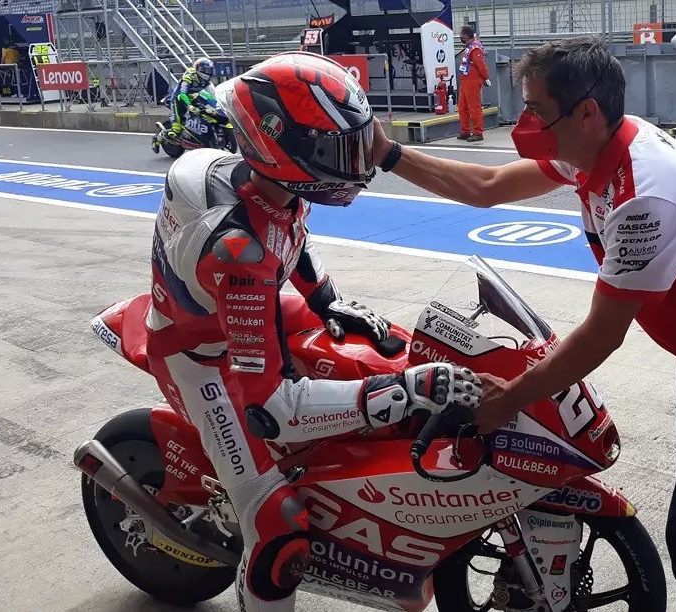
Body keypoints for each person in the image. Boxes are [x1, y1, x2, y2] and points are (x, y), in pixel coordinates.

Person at [370, 36, 676, 612]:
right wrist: (387, 155)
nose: (525, 123)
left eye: (536, 110)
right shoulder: (592, 145)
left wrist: (511, 398)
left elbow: (603, 333)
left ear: (586, 110)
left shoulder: (647, 195)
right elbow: (486, 188)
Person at [147, 52, 483, 612]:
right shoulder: (238, 253)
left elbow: (290, 232)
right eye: (336, 151)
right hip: (202, 358)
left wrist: (327, 299)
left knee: (382, 354)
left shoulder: (268, 188)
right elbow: (271, 408)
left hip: (242, 308)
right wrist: (411, 392)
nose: (355, 166)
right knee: (279, 526)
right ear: (279, 145)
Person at [152, 57, 215, 153]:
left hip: (194, 99)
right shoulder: (188, 77)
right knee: (176, 131)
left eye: (209, 70)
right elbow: (182, 93)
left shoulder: (207, 81)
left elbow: (212, 94)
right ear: (199, 69)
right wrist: (189, 106)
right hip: (179, 100)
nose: (208, 73)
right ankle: (158, 138)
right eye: (205, 70)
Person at [456, 24, 490, 142]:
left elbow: (481, 65)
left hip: (472, 81)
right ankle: (465, 131)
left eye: (461, 34)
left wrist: (485, 78)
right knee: (462, 107)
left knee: (474, 108)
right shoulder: (470, 46)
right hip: (466, 80)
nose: (459, 36)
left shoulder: (474, 48)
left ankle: (477, 132)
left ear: (465, 35)